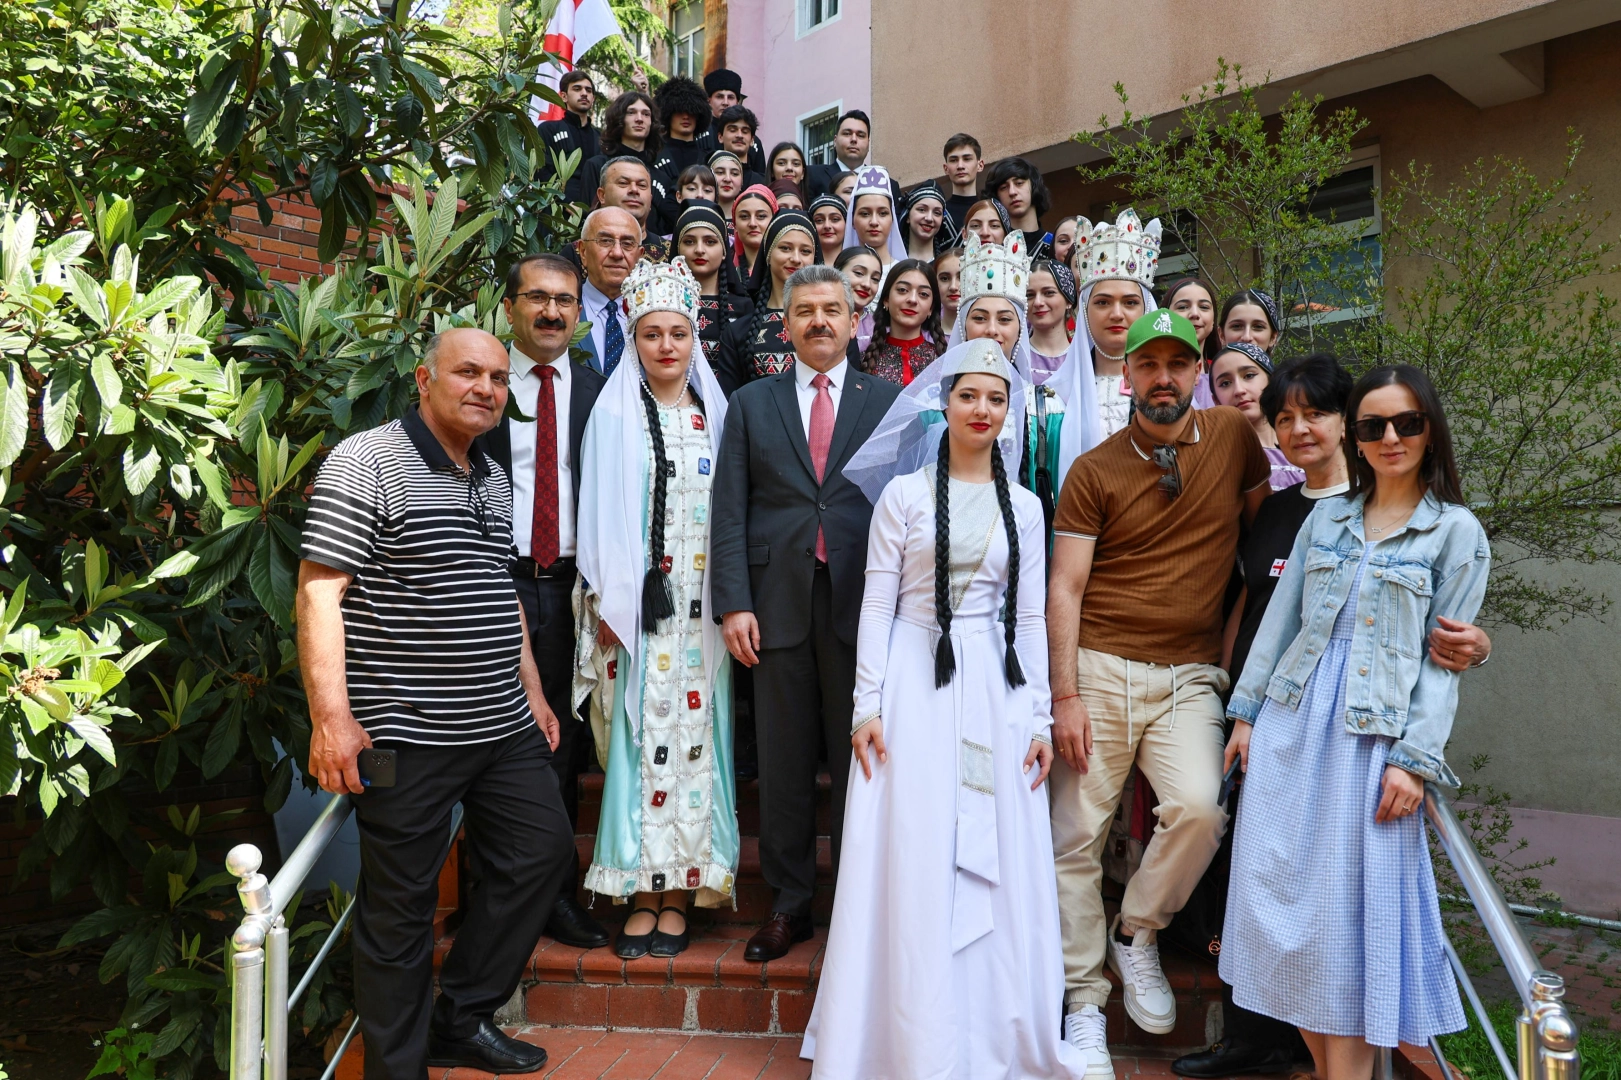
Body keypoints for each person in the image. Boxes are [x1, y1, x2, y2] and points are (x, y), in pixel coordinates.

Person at [1173, 355, 1491, 1080]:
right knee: (1292, 933)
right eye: (1373, 426)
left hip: (1369, 746)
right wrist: (1246, 719)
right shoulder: (1327, 518)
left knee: (1347, 939)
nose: (1389, 439)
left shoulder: (1455, 533)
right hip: (1290, 731)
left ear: (1430, 431)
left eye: (1405, 423)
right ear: (1356, 433)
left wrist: (1413, 759)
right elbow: (1278, 625)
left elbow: (1443, 665)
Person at [805, 339, 1085, 1079]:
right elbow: (876, 605)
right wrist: (866, 705)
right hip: (912, 679)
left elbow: (1030, 619)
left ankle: (988, 1028)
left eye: (996, 398)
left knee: (993, 838)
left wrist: (1035, 718)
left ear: (1009, 411)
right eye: (968, 395)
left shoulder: (1025, 507)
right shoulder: (902, 497)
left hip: (993, 687)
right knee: (915, 843)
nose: (981, 409)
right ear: (944, 402)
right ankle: (907, 1032)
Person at [298, 327, 575, 1077]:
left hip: (502, 726)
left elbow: (499, 589)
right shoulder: (366, 460)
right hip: (404, 734)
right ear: (424, 380)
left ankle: (462, 1015)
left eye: (498, 378)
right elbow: (320, 593)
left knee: (541, 854)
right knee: (400, 912)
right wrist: (332, 719)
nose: (485, 388)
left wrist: (532, 690)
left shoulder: (492, 474)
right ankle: (397, 1069)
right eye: (467, 373)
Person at [1045, 310, 1272, 1074]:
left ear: (1198, 370)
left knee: (1201, 810)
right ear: (1128, 375)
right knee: (1074, 838)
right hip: (1101, 665)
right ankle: (1083, 1004)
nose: (1164, 377)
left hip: (1190, 676)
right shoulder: (1093, 470)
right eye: (1149, 364)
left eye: (1178, 363)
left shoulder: (1233, 439)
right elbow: (1065, 587)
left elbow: (1259, 549)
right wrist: (1065, 695)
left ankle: (1135, 929)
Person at [709, 264, 903, 962]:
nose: (819, 321)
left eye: (832, 310)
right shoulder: (750, 403)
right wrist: (733, 602)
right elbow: (728, 508)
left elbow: (907, 506)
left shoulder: (889, 401)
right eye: (805, 311)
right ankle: (789, 904)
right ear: (785, 324)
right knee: (784, 764)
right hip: (775, 605)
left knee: (861, 761)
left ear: (854, 322)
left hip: (866, 604)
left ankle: (855, 902)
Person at [573, 257, 738, 960]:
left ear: (694, 337)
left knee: (700, 742)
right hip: (635, 613)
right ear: (633, 338)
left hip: (702, 615)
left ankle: (684, 892)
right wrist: (607, 602)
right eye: (651, 334)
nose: (666, 346)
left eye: (678, 333)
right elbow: (595, 512)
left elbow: (733, 513)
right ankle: (640, 891)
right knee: (637, 743)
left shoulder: (716, 416)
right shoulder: (612, 417)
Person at [476, 254, 612, 955]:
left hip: (568, 587)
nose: (551, 312)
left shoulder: (601, 392)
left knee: (558, 742)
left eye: (564, 301)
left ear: (580, 313)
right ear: (510, 308)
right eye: (537, 298)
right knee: (485, 738)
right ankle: (489, 898)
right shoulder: (483, 387)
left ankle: (555, 894)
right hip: (494, 580)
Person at [1045, 209, 1164, 489]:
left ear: (1146, 309)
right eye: (1102, 302)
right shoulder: (1054, 399)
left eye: (1130, 303)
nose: (1117, 314)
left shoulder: (1168, 390)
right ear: (1084, 311)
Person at [715, 211, 820, 395]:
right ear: (769, 254)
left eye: (805, 251)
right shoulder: (738, 332)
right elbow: (729, 403)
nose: (796, 258)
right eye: (785, 248)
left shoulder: (832, 326)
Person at [1210, 341, 1305, 491]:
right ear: (1215, 400)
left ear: (1271, 381)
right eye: (1225, 383)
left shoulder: (1303, 441)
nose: (1239, 390)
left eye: (1249, 376)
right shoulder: (1216, 459)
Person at [674, 201, 753, 368]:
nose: (699, 250)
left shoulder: (743, 307)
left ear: (724, 251)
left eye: (710, 242)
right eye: (689, 242)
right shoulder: (664, 304)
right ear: (677, 249)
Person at [574, 207, 640, 374]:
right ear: (583, 251)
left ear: (639, 256)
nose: (617, 253)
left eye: (627, 244)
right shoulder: (559, 308)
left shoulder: (653, 312)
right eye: (605, 241)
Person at [858, 258, 942, 385]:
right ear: (886, 299)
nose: (912, 300)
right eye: (902, 290)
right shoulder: (863, 359)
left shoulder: (942, 361)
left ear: (931, 308)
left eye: (923, 294)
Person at [572, 91, 661, 207]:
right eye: (631, 112)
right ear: (619, 118)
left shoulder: (661, 176)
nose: (639, 119)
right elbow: (588, 213)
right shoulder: (596, 166)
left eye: (646, 114)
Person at [651, 76, 712, 230]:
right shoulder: (654, 155)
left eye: (692, 111)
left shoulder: (708, 157)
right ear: (668, 113)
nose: (686, 116)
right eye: (679, 111)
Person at [1162, 276, 1221, 408]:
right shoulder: (1154, 373)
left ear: (1213, 319)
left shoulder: (1223, 372)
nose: (1194, 314)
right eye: (1183, 307)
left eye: (1204, 307)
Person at [536, 70, 599, 190]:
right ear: (564, 96)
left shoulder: (601, 137)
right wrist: (564, 198)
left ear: (593, 98)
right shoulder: (548, 130)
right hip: (559, 198)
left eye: (588, 90)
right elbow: (541, 171)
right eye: (577, 89)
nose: (584, 93)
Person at [594, 156, 667, 258]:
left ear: (650, 199)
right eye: (623, 183)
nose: (634, 190)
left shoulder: (671, 253)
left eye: (642, 185)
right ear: (602, 195)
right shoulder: (579, 251)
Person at [986, 156, 1054, 259]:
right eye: (1004, 187)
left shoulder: (1056, 247)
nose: (1012, 192)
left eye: (1019, 183)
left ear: (1034, 186)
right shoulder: (992, 248)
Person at [701, 69, 766, 175]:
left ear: (737, 101)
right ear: (709, 101)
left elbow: (760, 176)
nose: (725, 102)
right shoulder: (700, 135)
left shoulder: (753, 142)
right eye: (719, 97)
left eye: (730, 97)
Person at [843, 165, 906, 274]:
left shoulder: (905, 274)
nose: (874, 222)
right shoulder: (840, 274)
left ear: (892, 220)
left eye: (883, 213)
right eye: (865, 214)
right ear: (852, 220)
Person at [1028, 259, 1077, 385]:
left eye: (1048, 293)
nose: (1038, 302)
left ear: (1068, 300)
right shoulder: (1014, 358)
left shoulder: (1083, 359)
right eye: (1030, 295)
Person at [807, 109, 872, 197]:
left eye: (860, 135)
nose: (853, 139)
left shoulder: (885, 183)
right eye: (847, 133)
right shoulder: (812, 175)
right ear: (835, 141)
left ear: (868, 143)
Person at [835, 245, 884, 352]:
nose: (867, 284)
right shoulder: (819, 319)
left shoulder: (879, 328)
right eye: (859, 273)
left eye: (875, 279)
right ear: (836, 273)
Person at [940, 133, 985, 246]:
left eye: (967, 159)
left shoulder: (991, 210)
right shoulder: (938, 213)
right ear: (946, 168)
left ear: (980, 165)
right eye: (953, 160)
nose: (960, 166)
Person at [731, 183, 777, 280]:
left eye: (761, 216)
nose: (752, 223)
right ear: (735, 225)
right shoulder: (726, 273)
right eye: (744, 216)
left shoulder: (785, 273)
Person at [901, 183, 947, 260]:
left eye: (937, 213)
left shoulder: (948, 264)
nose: (929, 218)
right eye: (922, 210)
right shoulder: (890, 262)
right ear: (908, 216)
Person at [933, 247, 963, 339]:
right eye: (945, 278)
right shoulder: (920, 332)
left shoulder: (986, 333)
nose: (953, 287)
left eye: (962, 277)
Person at [809, 194, 848, 266]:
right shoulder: (802, 262)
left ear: (846, 223)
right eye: (819, 220)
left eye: (835, 219)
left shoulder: (858, 260)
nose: (827, 226)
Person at [709, 150, 747, 222]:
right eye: (720, 172)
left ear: (742, 182)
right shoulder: (698, 215)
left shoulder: (749, 219)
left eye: (735, 174)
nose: (727, 179)